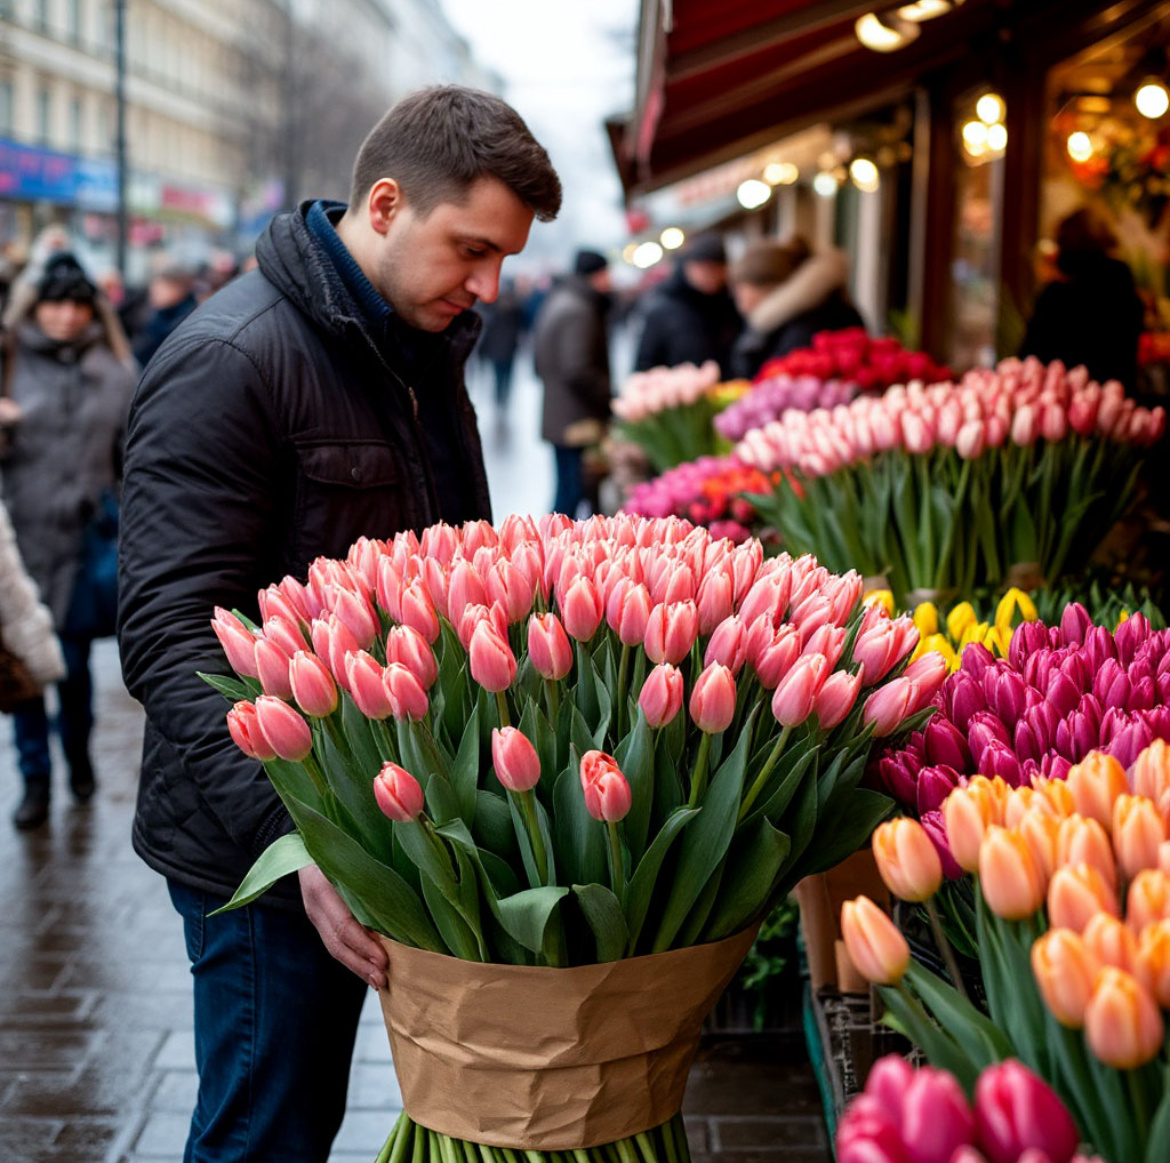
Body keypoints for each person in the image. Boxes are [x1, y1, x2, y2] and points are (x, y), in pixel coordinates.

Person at [116, 86, 561, 1163]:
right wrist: (294, 839)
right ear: (385, 203)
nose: (490, 284)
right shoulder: (232, 358)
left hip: (389, 813)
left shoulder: (415, 347)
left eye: (502, 257)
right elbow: (168, 634)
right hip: (266, 845)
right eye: (470, 248)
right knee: (267, 1125)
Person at [0, 253, 136, 829]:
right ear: (36, 305)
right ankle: (35, 781)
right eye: (55, 303)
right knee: (24, 668)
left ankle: (78, 757)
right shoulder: (7, 360)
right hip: (19, 542)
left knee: (75, 669)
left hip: (84, 543)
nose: (65, 315)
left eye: (78, 304)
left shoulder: (117, 370)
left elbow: (133, 456)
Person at [1020, 207, 1144, 390]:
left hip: (1064, 398)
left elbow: (1030, 357)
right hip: (1115, 395)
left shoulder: (1056, 296)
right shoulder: (1120, 281)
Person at [535, 249, 612, 517]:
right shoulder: (579, 309)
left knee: (568, 488)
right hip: (576, 419)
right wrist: (609, 397)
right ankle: (548, 549)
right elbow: (577, 369)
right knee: (572, 491)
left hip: (561, 415)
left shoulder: (560, 300)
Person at [728, 236, 866, 380]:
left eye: (740, 290)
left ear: (766, 288)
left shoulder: (806, 325)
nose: (737, 297)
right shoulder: (782, 321)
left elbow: (770, 380)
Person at [633, 231, 741, 377]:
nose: (712, 276)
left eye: (718, 269)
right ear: (688, 267)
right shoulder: (663, 308)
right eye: (705, 269)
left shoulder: (730, 303)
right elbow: (645, 364)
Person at [132, 264, 199, 367]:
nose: (154, 290)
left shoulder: (183, 323)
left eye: (162, 286)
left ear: (178, 289)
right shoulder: (160, 316)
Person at [476, 278, 525, 409]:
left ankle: (499, 397)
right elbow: (522, 325)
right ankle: (504, 396)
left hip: (497, 346)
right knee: (507, 373)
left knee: (498, 374)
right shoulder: (516, 305)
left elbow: (488, 326)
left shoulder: (494, 306)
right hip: (510, 346)